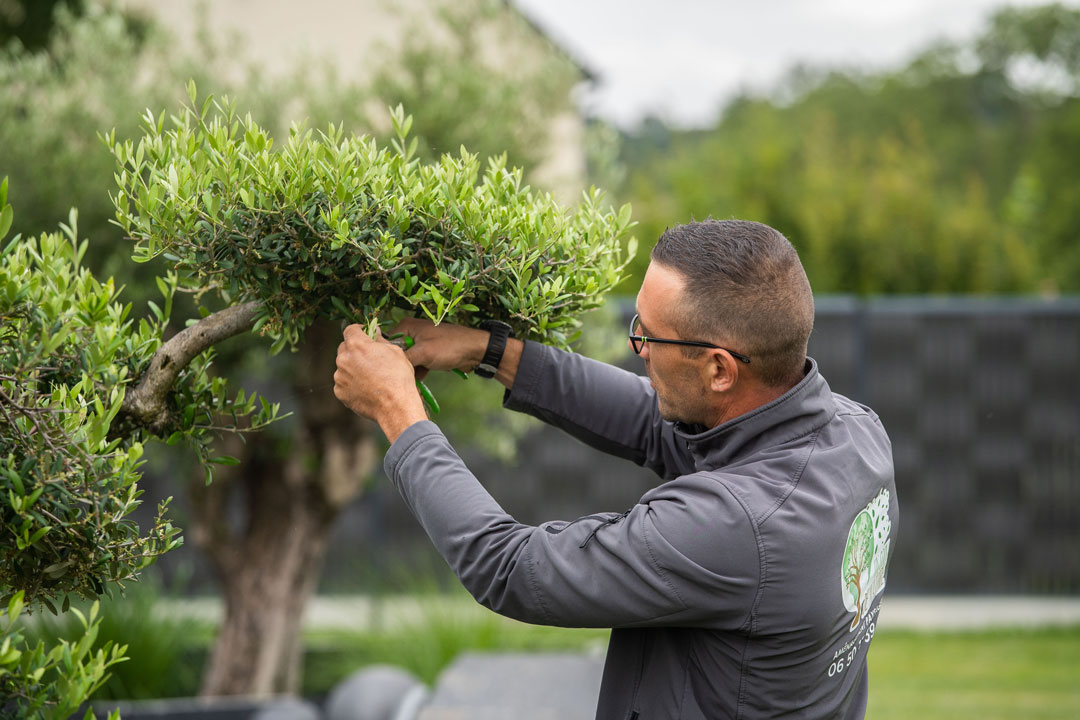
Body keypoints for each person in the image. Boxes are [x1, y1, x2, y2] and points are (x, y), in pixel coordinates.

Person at [333, 219, 898, 719]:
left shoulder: (736, 528)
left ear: (720, 370)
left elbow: (508, 567)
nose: (638, 348)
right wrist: (487, 350)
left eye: (648, 335)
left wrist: (398, 411)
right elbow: (652, 423)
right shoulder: (854, 433)